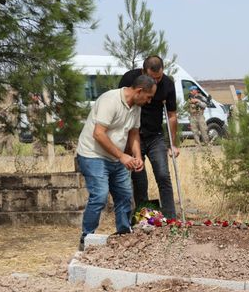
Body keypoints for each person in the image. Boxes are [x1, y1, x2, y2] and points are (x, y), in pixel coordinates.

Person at [76, 74, 156, 250]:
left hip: (116, 156)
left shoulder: (136, 106)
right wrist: (122, 156)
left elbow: (133, 133)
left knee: (125, 195)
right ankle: (86, 238)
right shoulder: (110, 100)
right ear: (139, 91)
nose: (149, 101)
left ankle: (123, 234)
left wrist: (136, 156)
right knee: (100, 196)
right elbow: (98, 133)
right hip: (92, 154)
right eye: (148, 97)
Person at [118, 56, 178, 219]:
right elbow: (122, 105)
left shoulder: (167, 84)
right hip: (134, 135)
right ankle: (144, 218)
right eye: (153, 78)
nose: (156, 82)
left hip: (155, 136)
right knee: (139, 179)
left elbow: (171, 115)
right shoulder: (130, 78)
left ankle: (171, 217)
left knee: (163, 175)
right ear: (143, 72)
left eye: (159, 78)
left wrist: (173, 143)